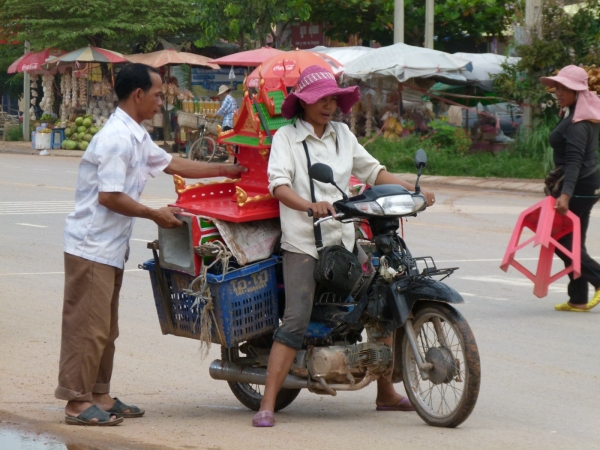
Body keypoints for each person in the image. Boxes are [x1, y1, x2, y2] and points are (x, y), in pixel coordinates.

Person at [56, 63, 247, 426]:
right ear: (138, 95)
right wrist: (153, 214)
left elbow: (173, 164)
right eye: (158, 95)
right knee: (87, 328)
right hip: (91, 246)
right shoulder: (116, 139)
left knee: (105, 328)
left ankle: (100, 394)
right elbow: (110, 196)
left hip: (109, 247)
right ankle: (76, 403)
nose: (162, 102)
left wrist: (227, 170)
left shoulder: (136, 135)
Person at [254, 65, 436, 427]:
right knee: (296, 317)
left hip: (345, 237)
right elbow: (278, 186)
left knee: (381, 300)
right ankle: (267, 403)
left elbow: (373, 172)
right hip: (304, 242)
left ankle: (385, 392)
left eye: (333, 99)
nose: (329, 106)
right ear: (303, 103)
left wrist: (410, 190)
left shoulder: (342, 134)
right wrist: (309, 205)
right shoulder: (286, 139)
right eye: (320, 99)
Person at [540, 65, 600, 312]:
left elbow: (574, 162)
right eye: (558, 87)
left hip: (578, 186)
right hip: (587, 183)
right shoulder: (577, 112)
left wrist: (565, 195)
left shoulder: (578, 123)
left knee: (561, 239)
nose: (558, 92)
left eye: (566, 88)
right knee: (574, 241)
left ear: (578, 90)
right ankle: (578, 298)